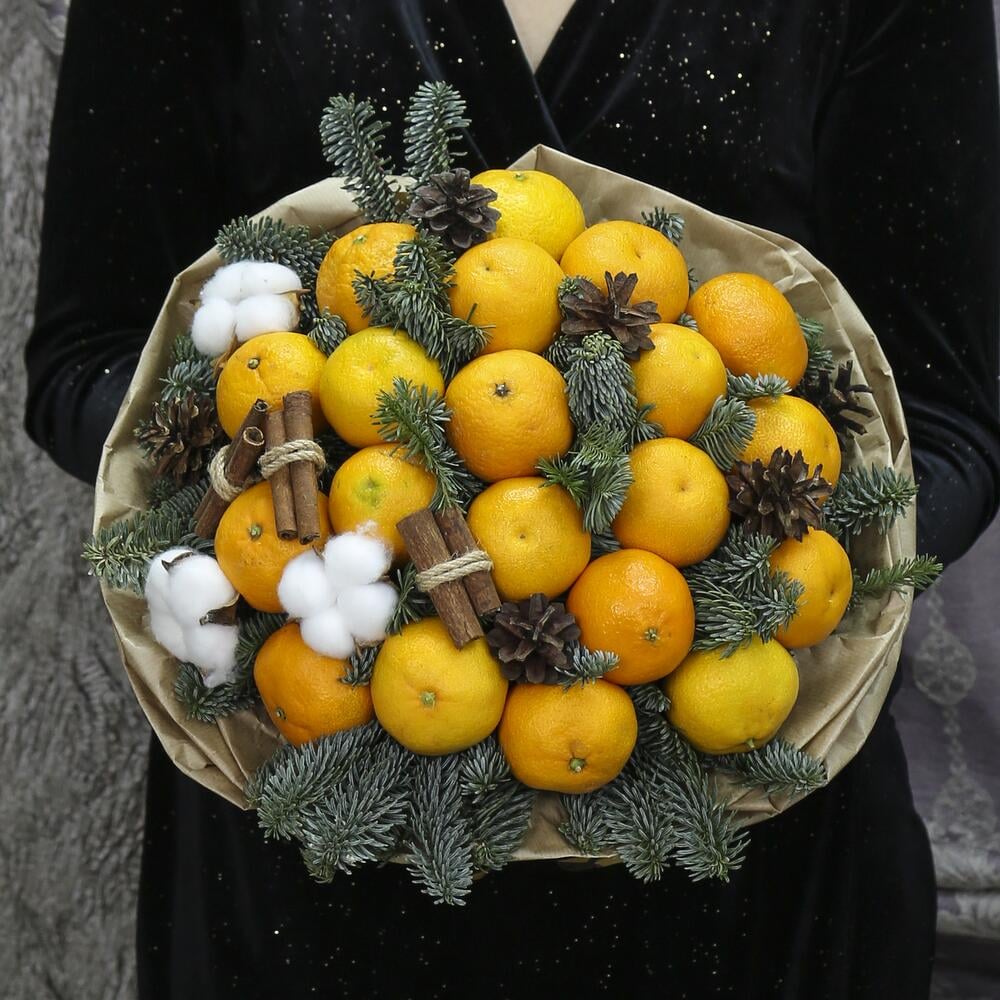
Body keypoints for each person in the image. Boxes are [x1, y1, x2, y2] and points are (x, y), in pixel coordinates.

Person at [24, 1, 1000, 997]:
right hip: (319, 864)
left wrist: (735, 577)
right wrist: (282, 503)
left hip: (735, 876)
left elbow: (949, 425)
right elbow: (84, 361)